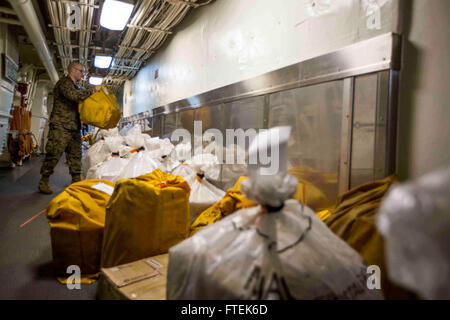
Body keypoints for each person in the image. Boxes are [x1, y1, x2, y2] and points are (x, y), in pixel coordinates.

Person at [39, 62, 101, 194]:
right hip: (61, 126)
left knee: (75, 155)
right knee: (54, 153)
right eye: (81, 71)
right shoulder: (64, 83)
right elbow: (75, 96)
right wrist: (92, 90)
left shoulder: (76, 86)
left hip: (73, 126)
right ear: (73, 70)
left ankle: (76, 180)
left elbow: (82, 97)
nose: (83, 74)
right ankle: (44, 181)